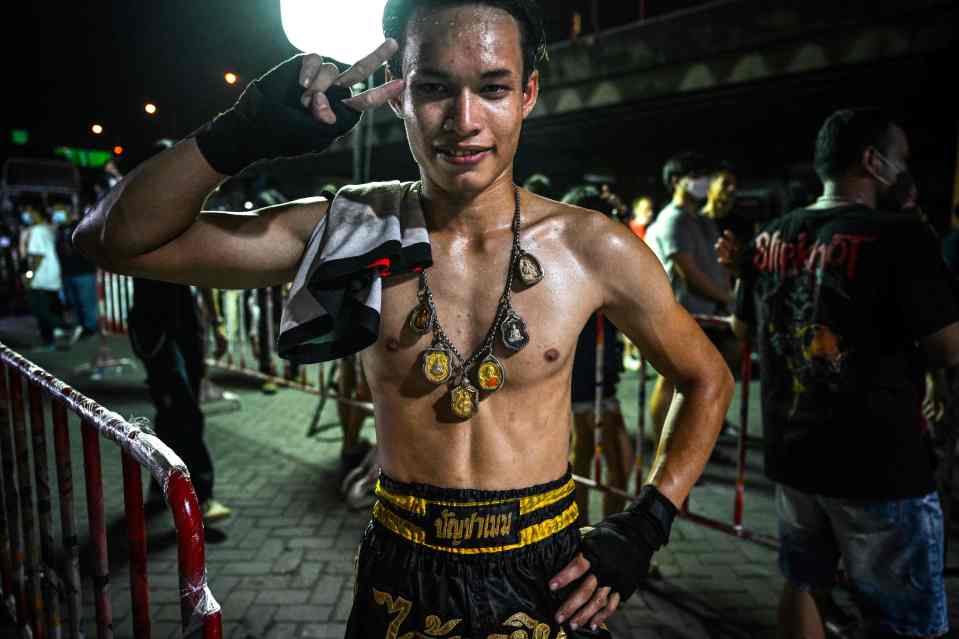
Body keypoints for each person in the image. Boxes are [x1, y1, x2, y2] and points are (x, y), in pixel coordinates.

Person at [75, 2, 733, 635]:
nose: (464, 120)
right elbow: (109, 239)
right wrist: (238, 133)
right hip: (401, 567)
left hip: (548, 568)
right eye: (435, 89)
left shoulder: (593, 247)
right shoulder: (350, 229)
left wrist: (646, 522)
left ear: (528, 93)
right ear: (397, 95)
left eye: (494, 88)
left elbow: (706, 377)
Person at [726, 108, 959, 638]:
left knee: (803, 582)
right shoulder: (899, 236)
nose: (905, 171)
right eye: (899, 159)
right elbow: (948, 346)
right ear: (873, 162)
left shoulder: (770, 237)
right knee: (905, 618)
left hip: (795, 452)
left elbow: (743, 328)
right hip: (879, 464)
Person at [123, 140, 233, 524]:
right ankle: (200, 496)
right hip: (156, 327)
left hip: (184, 323)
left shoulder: (179, 213)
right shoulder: (140, 213)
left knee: (174, 415)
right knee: (182, 412)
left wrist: (214, 323)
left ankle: (160, 488)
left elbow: (201, 271)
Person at [645, 153, 738, 457]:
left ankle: (688, 451)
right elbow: (689, 272)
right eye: (696, 176)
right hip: (682, 315)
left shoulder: (698, 220)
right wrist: (728, 298)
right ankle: (664, 455)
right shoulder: (674, 219)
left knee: (695, 388)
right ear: (676, 182)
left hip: (705, 315)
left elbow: (714, 264)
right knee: (671, 384)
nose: (704, 183)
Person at [564, 186, 633, 523]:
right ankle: (580, 538)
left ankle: (604, 537)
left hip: (602, 378)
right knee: (587, 461)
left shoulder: (603, 261)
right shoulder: (568, 263)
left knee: (617, 464)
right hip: (581, 378)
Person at [22, 206, 75, 350]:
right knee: (52, 305)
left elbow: (37, 255)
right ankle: (61, 329)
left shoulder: (37, 231)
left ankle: (52, 338)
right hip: (52, 273)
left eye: (27, 212)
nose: (26, 216)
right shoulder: (48, 229)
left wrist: (30, 275)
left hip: (41, 276)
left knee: (40, 309)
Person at [56, 202, 100, 339]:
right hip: (68, 272)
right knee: (75, 303)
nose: (56, 214)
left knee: (87, 302)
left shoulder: (81, 225)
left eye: (59, 211)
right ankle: (82, 326)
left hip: (84, 271)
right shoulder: (60, 229)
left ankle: (91, 328)